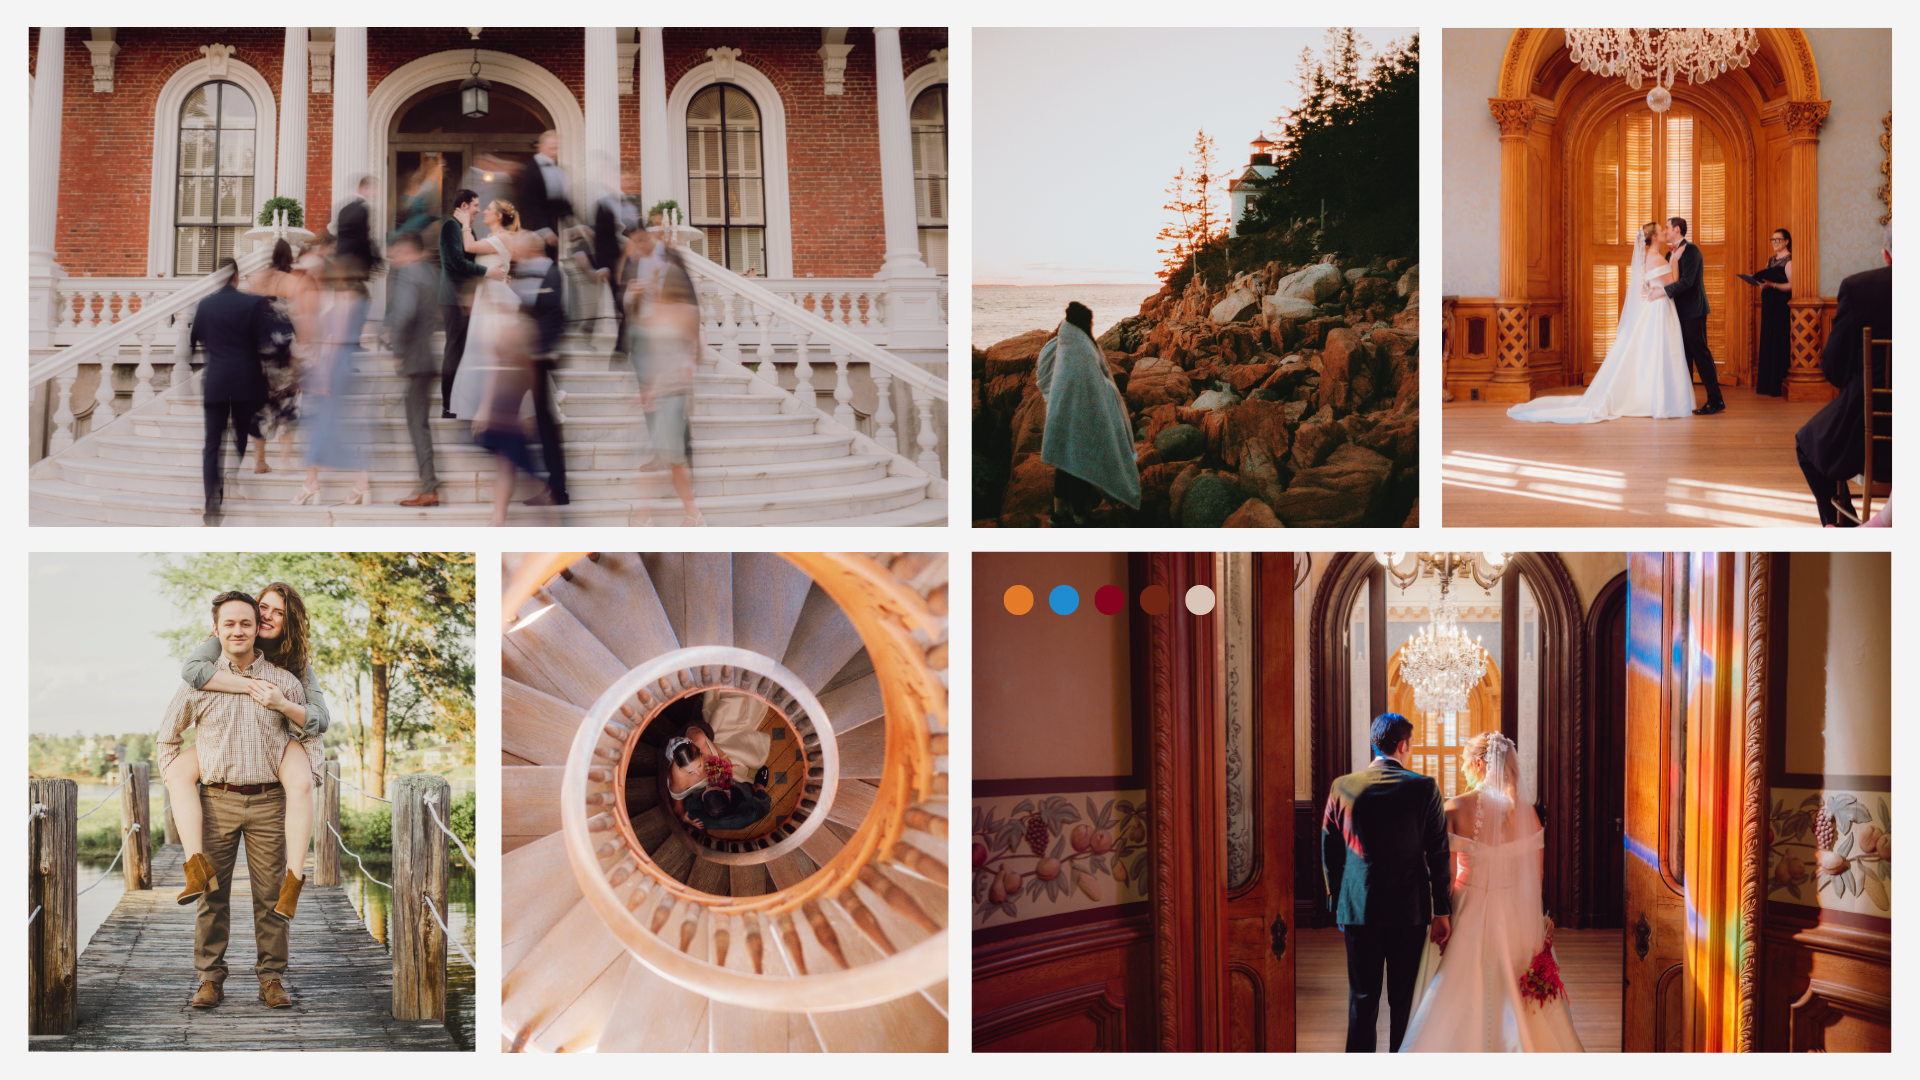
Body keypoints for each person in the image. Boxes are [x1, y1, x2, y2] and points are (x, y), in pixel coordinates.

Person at [156, 590, 312, 1009]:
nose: (238, 630)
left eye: (246, 623)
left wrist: (304, 776)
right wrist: (176, 774)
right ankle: (210, 978)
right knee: (212, 894)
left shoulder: (283, 682)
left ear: (257, 630)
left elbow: (310, 732)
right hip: (215, 800)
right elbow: (167, 735)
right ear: (217, 630)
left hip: (268, 801)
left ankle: (272, 978)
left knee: (270, 896)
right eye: (230, 624)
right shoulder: (199, 683)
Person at [1398, 732, 1585, 1052]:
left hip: (1468, 906)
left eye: (1465, 763)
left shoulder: (1455, 807)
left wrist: (1441, 914)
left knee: (1458, 986)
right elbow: (1537, 878)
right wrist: (1536, 924)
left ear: (1481, 764)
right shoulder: (1529, 814)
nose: (1462, 770)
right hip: (1516, 911)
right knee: (1519, 988)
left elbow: (1445, 874)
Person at [168, 583, 328, 917]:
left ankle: (295, 879)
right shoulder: (227, 633)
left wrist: (280, 702)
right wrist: (248, 686)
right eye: (264, 607)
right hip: (223, 747)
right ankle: (194, 867)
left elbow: (319, 721)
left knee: (299, 784)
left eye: (279, 613)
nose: (268, 616)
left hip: (277, 741)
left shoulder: (295, 666)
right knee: (179, 773)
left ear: (289, 622)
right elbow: (192, 672)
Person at [1322, 713, 1452, 1053]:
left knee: (1362, 998)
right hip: (1409, 909)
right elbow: (1439, 853)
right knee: (1403, 1001)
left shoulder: (1343, 786)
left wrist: (1337, 901)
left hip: (1357, 908)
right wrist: (1443, 909)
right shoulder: (1425, 788)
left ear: (1374, 743)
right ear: (1403, 745)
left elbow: (1330, 851)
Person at [1508, 222, 1692, 423]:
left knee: (1654, 352)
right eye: (1661, 230)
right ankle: (1659, 398)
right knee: (1660, 351)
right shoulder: (1657, 257)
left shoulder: (1649, 257)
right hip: (1660, 309)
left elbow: (1652, 285)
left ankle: (1654, 396)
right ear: (1654, 237)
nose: (1665, 232)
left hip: (1657, 306)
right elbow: (1674, 281)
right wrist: (1675, 259)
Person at [1796, 224, 1892, 526]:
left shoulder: (1860, 288)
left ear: (1886, 255)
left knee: (1806, 443)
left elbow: (1834, 370)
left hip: (1875, 434)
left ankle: (1842, 526)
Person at [626, 226, 705, 525]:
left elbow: (686, 359)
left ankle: (645, 519)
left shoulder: (684, 313)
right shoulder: (658, 313)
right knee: (673, 462)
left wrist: (657, 386)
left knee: (664, 462)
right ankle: (691, 514)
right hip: (662, 391)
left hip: (672, 394)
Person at [1034, 301, 1140, 525]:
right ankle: (1081, 518)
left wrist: (1054, 399)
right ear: (1084, 322)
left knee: (1064, 463)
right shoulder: (1082, 345)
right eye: (1090, 321)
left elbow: (1044, 376)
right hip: (1080, 415)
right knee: (1081, 466)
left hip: (1060, 412)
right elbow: (1094, 383)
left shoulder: (1059, 342)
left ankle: (1058, 514)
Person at [185, 258, 272, 526]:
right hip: (247, 382)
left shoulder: (205, 305)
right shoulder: (253, 303)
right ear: (236, 276)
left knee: (211, 446)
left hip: (216, 383)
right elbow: (266, 343)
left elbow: (191, 343)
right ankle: (234, 469)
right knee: (241, 434)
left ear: (215, 277)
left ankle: (211, 511)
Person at [291, 254, 372, 505]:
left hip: (329, 370)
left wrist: (322, 375)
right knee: (322, 427)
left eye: (305, 270)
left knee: (322, 428)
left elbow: (333, 339)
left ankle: (317, 483)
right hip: (324, 368)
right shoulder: (336, 296)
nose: (301, 275)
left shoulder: (333, 298)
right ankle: (356, 482)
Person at [508, 229, 570, 507]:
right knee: (537, 423)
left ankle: (555, 488)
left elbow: (557, 316)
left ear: (531, 250)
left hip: (537, 358)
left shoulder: (551, 273)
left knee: (542, 424)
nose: (515, 253)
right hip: (525, 357)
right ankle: (553, 488)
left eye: (519, 248)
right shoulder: (527, 271)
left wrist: (540, 348)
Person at [447, 198, 523, 420]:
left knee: (492, 351)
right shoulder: (494, 238)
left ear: (499, 216)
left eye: (488, 209)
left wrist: (464, 223)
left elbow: (469, 246)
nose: (484, 212)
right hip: (487, 295)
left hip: (495, 299)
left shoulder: (504, 236)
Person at [384, 231, 443, 506]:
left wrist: (397, 349)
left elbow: (405, 313)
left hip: (417, 360)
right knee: (418, 424)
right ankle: (427, 485)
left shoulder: (409, 274)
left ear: (407, 250)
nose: (393, 260)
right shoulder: (429, 273)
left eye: (395, 254)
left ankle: (429, 487)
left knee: (417, 426)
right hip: (425, 358)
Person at [244, 240, 310, 474]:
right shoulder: (294, 281)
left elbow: (249, 312)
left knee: (259, 406)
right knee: (287, 402)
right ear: (289, 258)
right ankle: (284, 461)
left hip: (258, 346)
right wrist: (300, 354)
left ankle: (259, 461)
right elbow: (300, 317)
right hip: (283, 347)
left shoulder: (257, 278)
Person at [438, 188, 500, 418]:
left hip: (466, 299)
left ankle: (461, 401)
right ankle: (447, 406)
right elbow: (456, 263)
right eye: (475, 205)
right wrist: (487, 272)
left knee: (464, 351)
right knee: (454, 351)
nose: (478, 209)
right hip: (453, 298)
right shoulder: (450, 227)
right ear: (464, 206)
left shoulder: (465, 229)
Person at [1660, 216, 1723, 415]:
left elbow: (1687, 282)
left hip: (1693, 311)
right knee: (1684, 355)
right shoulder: (1669, 254)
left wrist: (1663, 292)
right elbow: (1671, 279)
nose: (1665, 231)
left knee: (1700, 354)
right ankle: (1686, 399)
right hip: (1677, 312)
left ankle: (1716, 399)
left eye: (1667, 228)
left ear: (1677, 229)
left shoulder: (1692, 250)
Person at [663, 724, 773, 833]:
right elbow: (677, 805)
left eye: (699, 766)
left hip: (718, 775)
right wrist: (683, 817)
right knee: (741, 784)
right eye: (690, 771)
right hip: (720, 782)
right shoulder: (679, 782)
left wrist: (723, 755)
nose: (698, 772)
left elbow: (708, 743)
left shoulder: (699, 737)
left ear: (700, 753)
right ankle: (756, 784)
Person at [1752, 228, 1794, 396]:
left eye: (1778, 239)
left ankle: (1776, 386)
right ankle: (1766, 385)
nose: (1775, 242)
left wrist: (1773, 285)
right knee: (1767, 340)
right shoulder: (1771, 260)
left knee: (1778, 340)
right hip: (1768, 303)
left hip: (1780, 305)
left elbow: (1792, 285)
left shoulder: (1790, 261)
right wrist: (1762, 284)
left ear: (1786, 241)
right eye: (1773, 239)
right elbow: (1765, 280)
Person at [518, 130, 574, 252]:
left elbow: (561, 201)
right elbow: (530, 202)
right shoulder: (530, 169)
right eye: (551, 148)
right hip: (534, 229)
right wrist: (545, 229)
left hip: (553, 228)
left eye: (557, 148)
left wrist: (575, 224)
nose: (555, 152)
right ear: (540, 147)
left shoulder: (559, 170)